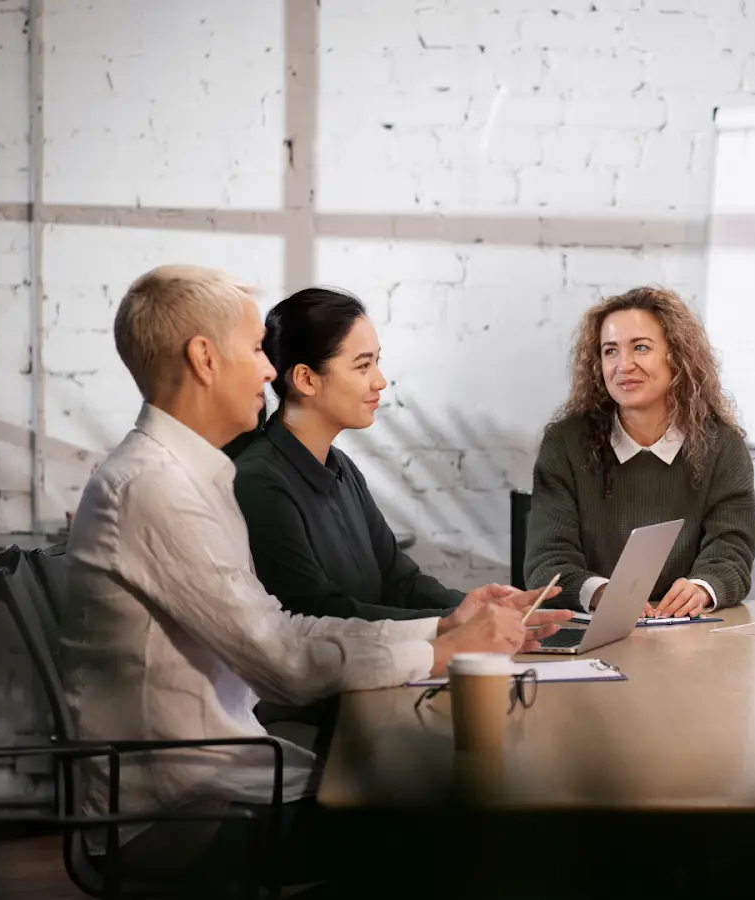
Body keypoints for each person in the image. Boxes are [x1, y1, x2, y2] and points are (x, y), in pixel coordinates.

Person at [59, 265, 571, 886]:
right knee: (458, 826)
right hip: (185, 813)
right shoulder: (156, 488)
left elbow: (288, 630)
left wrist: (446, 633)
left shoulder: (191, 476)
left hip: (222, 778)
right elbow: (285, 660)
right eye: (253, 349)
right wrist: (442, 648)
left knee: (448, 799)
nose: (270, 370)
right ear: (204, 358)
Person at [230, 287, 475, 621]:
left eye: (377, 362)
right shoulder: (259, 482)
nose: (380, 381)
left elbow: (399, 581)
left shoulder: (342, 468)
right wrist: (449, 624)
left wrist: (477, 607)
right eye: (363, 366)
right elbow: (319, 613)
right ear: (305, 379)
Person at [525, 285, 755, 618]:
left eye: (641, 347)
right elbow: (546, 563)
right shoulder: (564, 444)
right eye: (610, 351)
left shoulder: (722, 446)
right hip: (591, 631)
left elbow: (731, 555)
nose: (623, 365)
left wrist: (702, 588)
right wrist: (603, 594)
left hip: (689, 633)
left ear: (676, 355)